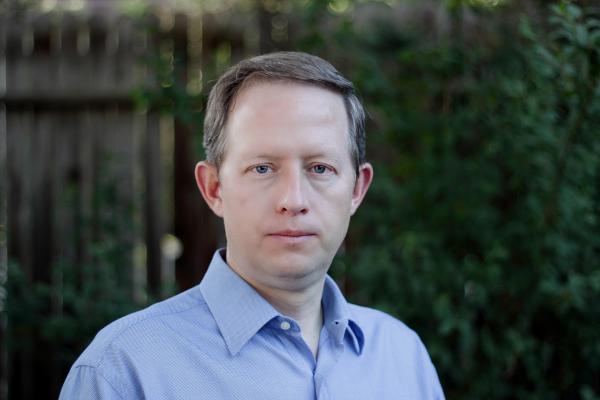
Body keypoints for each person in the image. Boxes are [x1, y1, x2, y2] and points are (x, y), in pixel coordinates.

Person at [59, 51, 445, 399]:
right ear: (214, 188)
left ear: (357, 189)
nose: (293, 200)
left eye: (320, 168)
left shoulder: (403, 357)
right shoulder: (122, 372)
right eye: (262, 168)